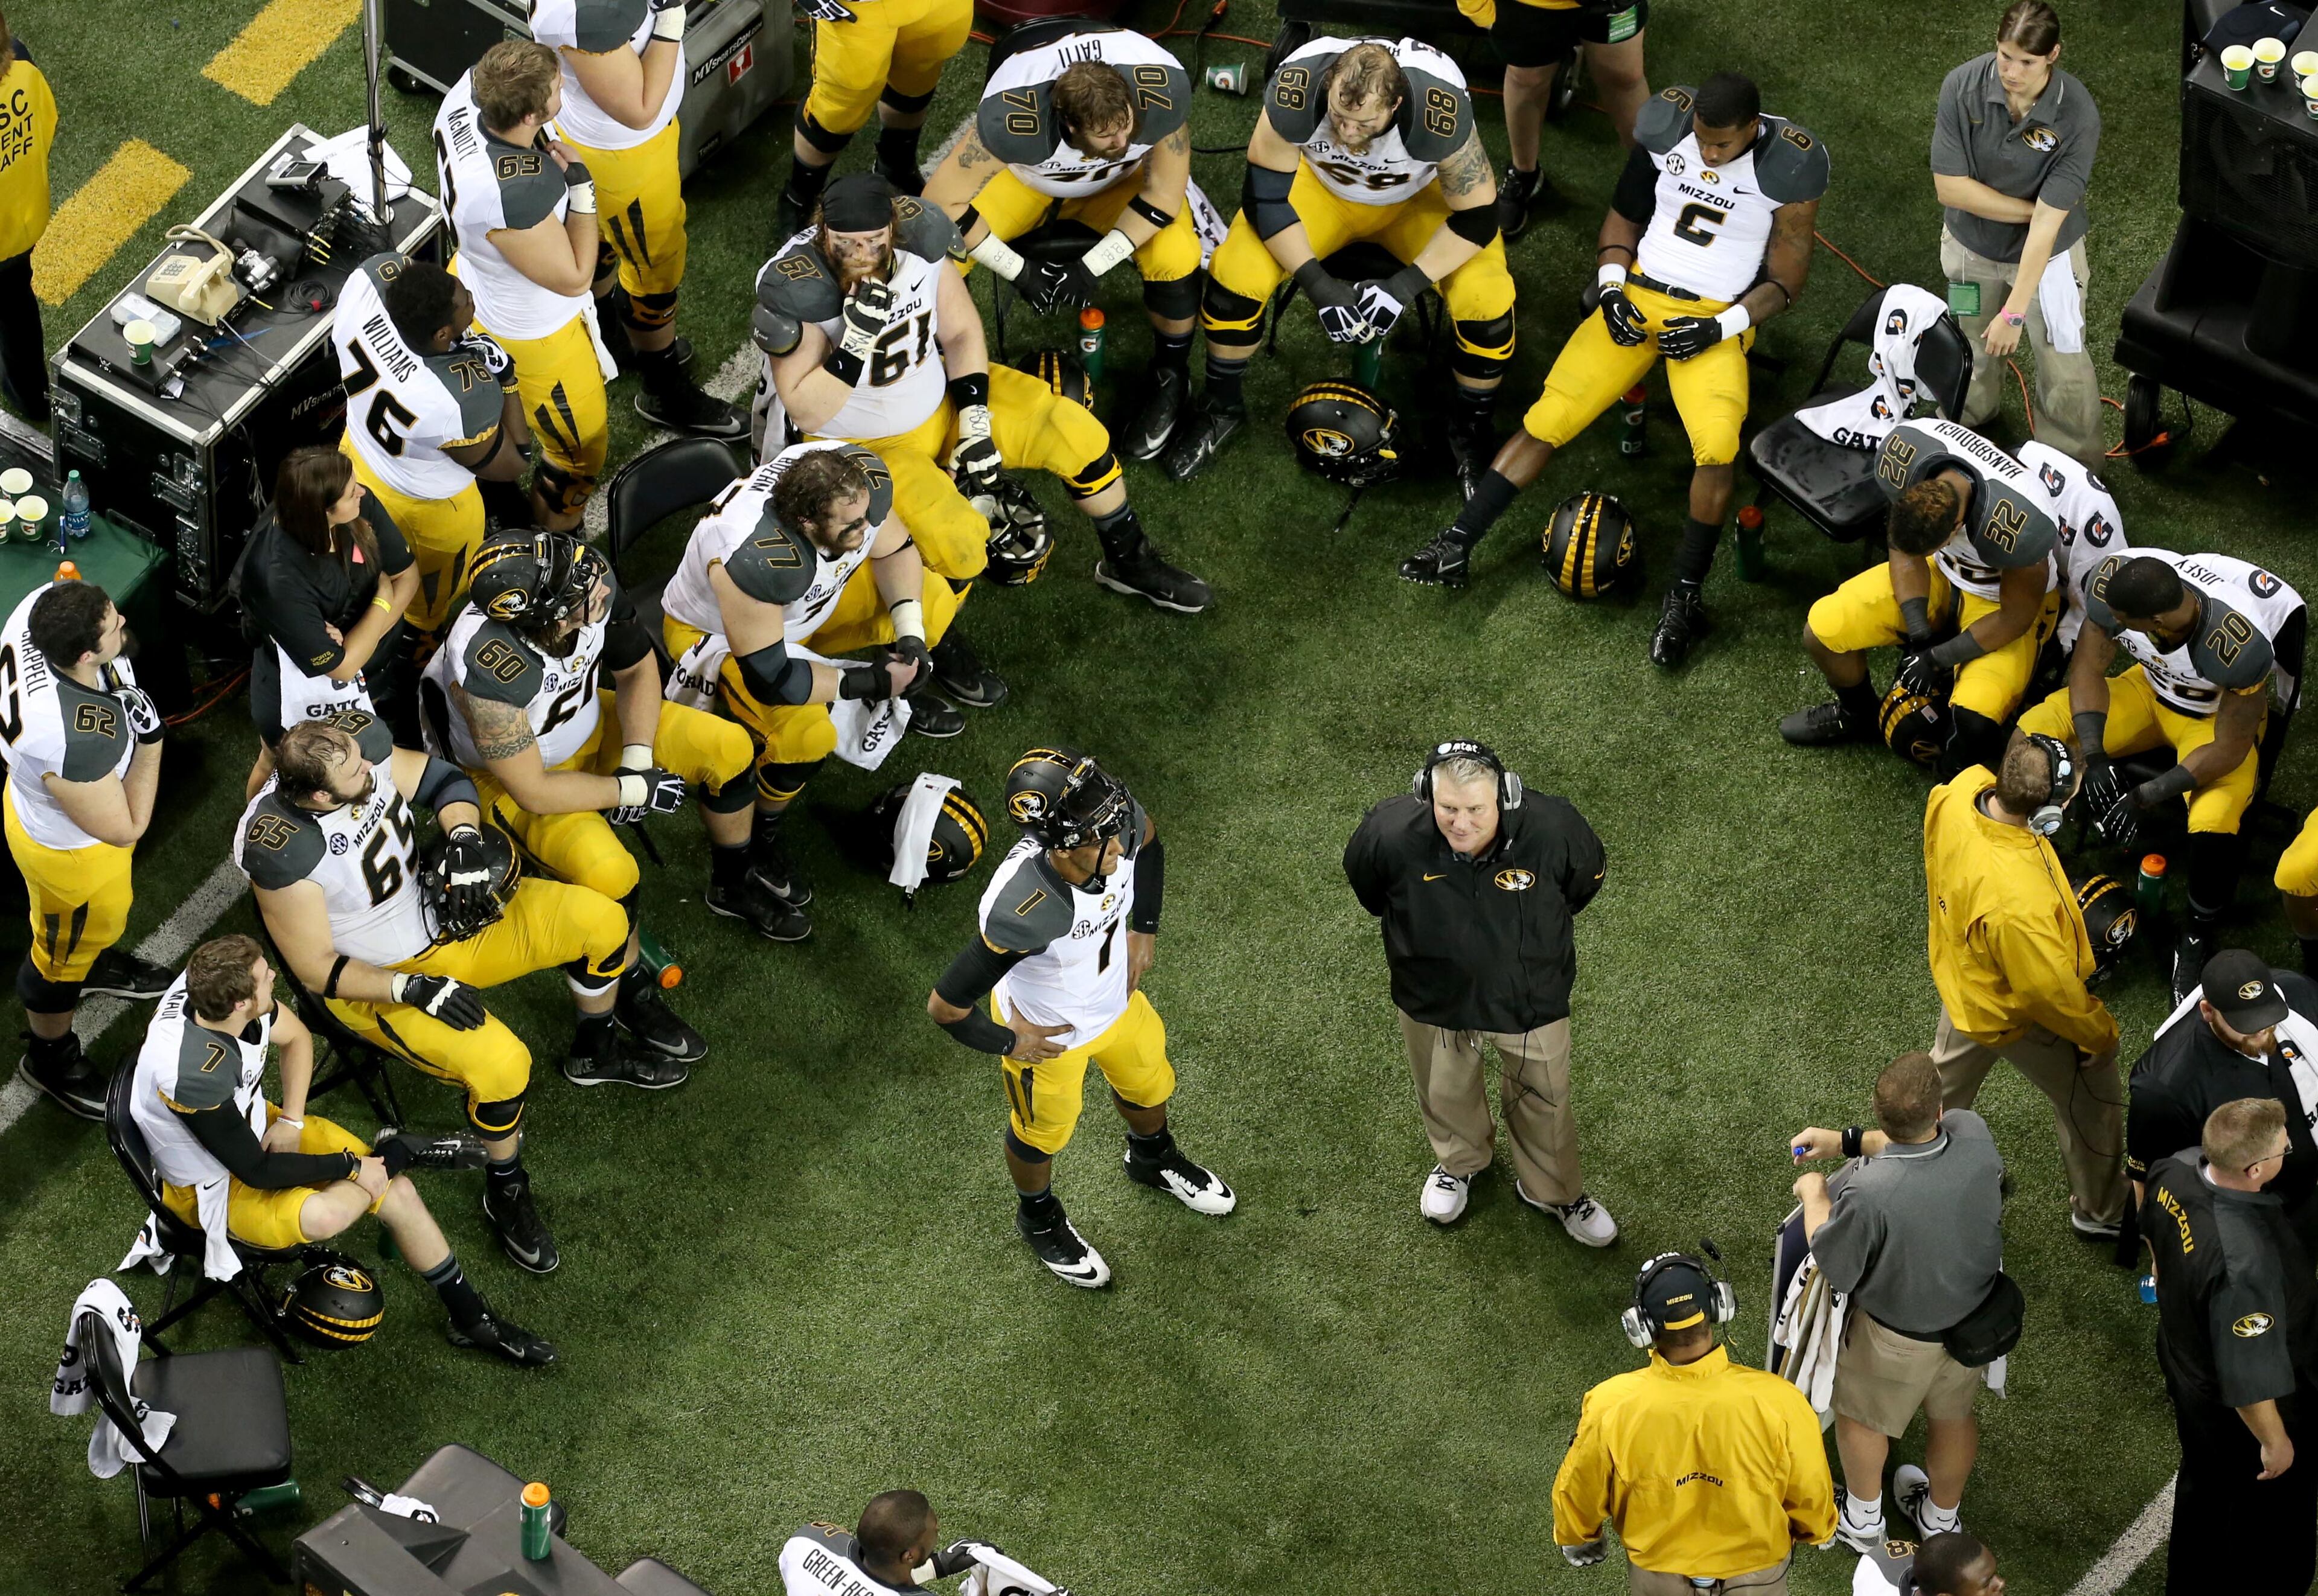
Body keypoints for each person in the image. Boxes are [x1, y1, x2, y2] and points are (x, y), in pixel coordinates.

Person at [1406, 71, 1824, 672]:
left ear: (1753, 131)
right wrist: (1610, 291)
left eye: (1722, 146)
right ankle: (1457, 542)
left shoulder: (1790, 170)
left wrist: (1722, 327)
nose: (1708, 154)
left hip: (1713, 317)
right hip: (1638, 295)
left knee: (1717, 450)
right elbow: (1621, 224)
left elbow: (1787, 281)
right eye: (1702, 140)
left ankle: (1683, 596)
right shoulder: (1667, 134)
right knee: (1547, 418)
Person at [238, 714, 672, 1277]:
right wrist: (410, 987)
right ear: (319, 794)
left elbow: (445, 782)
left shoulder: (355, 748)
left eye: (361, 756)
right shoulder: (282, 850)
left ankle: (597, 1050)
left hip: (442, 915)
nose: (371, 765)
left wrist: (462, 836)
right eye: (354, 769)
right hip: (381, 980)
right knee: (504, 1066)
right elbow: (317, 969)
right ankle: (506, 1186)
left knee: (603, 922)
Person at [756, 173, 1209, 613]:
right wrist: (855, 343)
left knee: (1076, 433)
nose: (860, 255)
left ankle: (1129, 560)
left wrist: (974, 417)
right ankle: (931, 639)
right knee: (960, 544)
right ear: (822, 232)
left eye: (874, 241)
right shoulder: (801, 288)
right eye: (845, 244)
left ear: (894, 227)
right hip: (864, 446)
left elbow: (960, 332)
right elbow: (807, 410)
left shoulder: (921, 243)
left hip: (942, 400)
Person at [129, 934, 554, 1365]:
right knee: (328, 1213)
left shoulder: (218, 994)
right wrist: (353, 1166)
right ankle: (397, 1153)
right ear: (240, 1004)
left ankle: (470, 1318)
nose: (274, 975)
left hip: (255, 1127)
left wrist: (293, 1120)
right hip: (208, 1185)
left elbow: (296, 1039)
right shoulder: (193, 1073)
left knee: (398, 1193)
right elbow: (255, 1172)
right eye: (263, 977)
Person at [925, 747, 1233, 1289]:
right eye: (1102, 839)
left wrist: (1147, 926)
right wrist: (1009, 1041)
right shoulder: (1028, 905)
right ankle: (1038, 1217)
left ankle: (1152, 1158)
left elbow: (1151, 839)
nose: (1120, 844)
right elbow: (946, 1007)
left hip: (1116, 1003)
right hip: (1052, 1036)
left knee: (1150, 1082)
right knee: (1041, 1132)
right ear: (1062, 845)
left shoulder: (1110, 819)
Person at [421, 530, 739, 1044]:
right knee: (613, 877)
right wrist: (630, 791)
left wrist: (637, 759)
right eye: (576, 592)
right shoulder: (492, 667)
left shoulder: (584, 582)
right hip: (507, 779)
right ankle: (620, 1002)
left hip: (587, 725)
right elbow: (535, 791)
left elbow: (637, 670)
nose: (596, 586)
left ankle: (737, 877)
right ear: (542, 617)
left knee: (729, 749)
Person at [1163, 37, 1512, 497]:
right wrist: (1319, 285)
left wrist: (1405, 285)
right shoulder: (1298, 84)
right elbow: (1264, 198)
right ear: (1328, 83)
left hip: (1418, 201)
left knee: (1487, 301)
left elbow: (1479, 216)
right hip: (1323, 190)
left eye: (1364, 121)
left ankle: (1471, 429)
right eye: (1339, 115)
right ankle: (1221, 406)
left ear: (1397, 103)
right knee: (1235, 273)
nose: (1347, 132)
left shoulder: (1437, 108)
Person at [659, 441, 981, 933]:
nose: (864, 529)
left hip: (802, 612)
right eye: (850, 527)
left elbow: (895, 548)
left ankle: (894, 683)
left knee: (932, 604)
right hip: (725, 634)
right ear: (807, 524)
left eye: (863, 518)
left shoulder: (851, 485)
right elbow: (775, 680)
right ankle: (760, 836)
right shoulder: (754, 558)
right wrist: (870, 681)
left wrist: (911, 638)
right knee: (807, 736)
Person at [1342, 741, 1612, 1240]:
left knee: (1546, 1096)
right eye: (1448, 809)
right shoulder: (1388, 835)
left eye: (1475, 810)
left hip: (1531, 998)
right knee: (1443, 1089)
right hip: (1433, 997)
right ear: (1427, 797)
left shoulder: (1555, 830)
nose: (1460, 823)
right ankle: (1458, 1162)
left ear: (1505, 797)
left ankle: (1553, 1191)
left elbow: (1584, 883)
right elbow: (1370, 891)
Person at [2018, 550, 2299, 1000]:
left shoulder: (2235, 645)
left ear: (2155, 619)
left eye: (2124, 620)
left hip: (2213, 722)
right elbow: (2088, 667)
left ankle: (2195, 933)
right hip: (2148, 689)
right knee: (2037, 726)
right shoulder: (2115, 580)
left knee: (2216, 819)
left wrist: (2147, 793)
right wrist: (2094, 751)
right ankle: (2028, 853)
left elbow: (2229, 749)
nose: (2114, 623)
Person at [922, 27, 1200, 459]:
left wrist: (1092, 266)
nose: (1124, 142)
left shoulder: (1157, 88)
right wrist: (1018, 269)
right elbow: (939, 204)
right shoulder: (1015, 121)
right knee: (931, 258)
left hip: (1114, 185)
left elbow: (1163, 195)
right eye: (1107, 137)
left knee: (1177, 254)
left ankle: (1171, 372)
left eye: (1126, 126)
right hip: (1027, 182)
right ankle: (940, 385)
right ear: (1069, 123)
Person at [1790, 1052, 2007, 1554]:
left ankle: (1863, 1523)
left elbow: (1833, 1257)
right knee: (1953, 1419)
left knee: (1861, 1419)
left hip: (1897, 1340)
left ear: (1879, 1112)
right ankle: (1941, 1519)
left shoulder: (1871, 1191)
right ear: (1938, 1112)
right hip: (1973, 1321)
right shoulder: (1973, 1131)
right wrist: (1843, 1141)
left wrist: (1814, 1193)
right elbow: (1911, 1141)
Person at [1921, 729, 2126, 1236]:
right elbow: (2047, 994)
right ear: (2047, 816)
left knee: (1935, 1098)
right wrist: (2098, 1036)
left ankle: (1918, 1170)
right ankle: (2102, 1211)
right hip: (2011, 1012)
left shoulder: (1961, 789)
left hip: (1964, 984)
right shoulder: (2018, 905)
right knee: (2091, 1101)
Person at [1778, 418, 2058, 775]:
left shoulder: (2019, 521)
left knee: (1976, 716)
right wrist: (1919, 636)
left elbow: (2015, 618)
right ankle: (1858, 715)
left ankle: (1950, 777)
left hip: (2000, 603)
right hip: (1940, 571)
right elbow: (1903, 549)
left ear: (1955, 531)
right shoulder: (1912, 453)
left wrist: (1937, 658)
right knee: (1821, 631)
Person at [1550, 1252, 1834, 1592]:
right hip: (1757, 1574)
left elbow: (1580, 1485)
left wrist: (1577, 1535)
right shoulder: (1782, 1401)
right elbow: (1812, 1493)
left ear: (1642, 1327)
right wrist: (1818, 1529)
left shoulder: (1610, 1405)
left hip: (1660, 1577)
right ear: (1718, 1307)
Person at [531, 0, 746, 439]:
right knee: (655, 270)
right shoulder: (581, 10)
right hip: (624, 153)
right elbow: (641, 107)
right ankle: (664, 390)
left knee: (606, 241)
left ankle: (613, 334)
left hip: (603, 137)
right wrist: (671, 15)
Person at [2, 579, 173, 1120]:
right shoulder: (73, 735)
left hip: (51, 813)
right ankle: (50, 1057)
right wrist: (151, 740)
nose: (123, 622)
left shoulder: (43, 607)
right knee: (54, 961)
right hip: (72, 850)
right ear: (82, 654)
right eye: (113, 627)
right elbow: (126, 827)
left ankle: (90, 963)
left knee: (95, 932)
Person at [2143, 1097, 2318, 1595]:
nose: (2289, 1147)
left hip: (2185, 1359)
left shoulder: (2174, 1168)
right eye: (2285, 1145)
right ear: (2257, 1168)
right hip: (2238, 1403)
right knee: (2272, 1518)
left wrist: (2166, 1272)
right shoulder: (2246, 1264)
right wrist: (2274, 1442)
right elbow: (2247, 1379)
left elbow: (2154, 1231)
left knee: (2203, 1486)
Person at [435, 42, 606, 533]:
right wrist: (581, 189)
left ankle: (499, 496)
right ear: (530, 113)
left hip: (473, 283)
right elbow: (575, 277)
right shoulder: (517, 190)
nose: (564, 88)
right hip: (535, 333)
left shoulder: (471, 91)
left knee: (488, 421)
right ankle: (554, 547)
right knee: (579, 451)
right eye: (556, 89)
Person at [1930, 1, 2101, 464]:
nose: (2011, 71)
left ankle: (2072, 464)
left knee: (2063, 361)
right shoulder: (1961, 86)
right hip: (1971, 250)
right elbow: (1951, 189)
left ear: (2053, 56)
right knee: (1968, 342)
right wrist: (2036, 210)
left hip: (2051, 259)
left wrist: (2013, 313)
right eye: (2005, 55)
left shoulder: (2077, 114)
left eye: (2026, 61)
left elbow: (2047, 231)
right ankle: (1968, 425)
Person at [330, 252, 528, 634]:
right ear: (441, 334)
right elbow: (516, 460)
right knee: (424, 613)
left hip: (352, 461)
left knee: (361, 566)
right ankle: (411, 666)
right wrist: (508, 380)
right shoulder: (457, 399)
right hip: (424, 509)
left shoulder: (364, 286)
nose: (470, 298)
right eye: (465, 301)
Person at [238, 448, 423, 799]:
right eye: (350, 491)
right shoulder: (277, 577)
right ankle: (253, 828)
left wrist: (363, 636)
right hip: (298, 690)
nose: (362, 492)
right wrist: (381, 601)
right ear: (321, 510)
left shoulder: (357, 510)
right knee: (277, 762)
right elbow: (340, 668)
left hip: (373, 667)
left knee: (366, 752)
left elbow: (406, 576)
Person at [2130, 950, 2318, 1251]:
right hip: (2253, 1214)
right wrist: (2161, 1256)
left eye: (2266, 1013)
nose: (2262, 1029)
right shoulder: (2164, 1088)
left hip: (2306, 1186)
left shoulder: (2296, 991)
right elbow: (2152, 1181)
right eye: (2245, 1022)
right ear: (2207, 1011)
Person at [773, 0, 974, 234]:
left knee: (918, 73)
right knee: (839, 106)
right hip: (861, 9)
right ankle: (800, 195)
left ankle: (896, 165)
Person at [1452, 0, 1649, 238]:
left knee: (1624, 79)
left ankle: (1650, 176)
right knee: (1526, 80)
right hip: (1530, 4)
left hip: (1611, 4)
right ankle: (1524, 174)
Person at [0, 11, 56, 425]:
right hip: (24, 217)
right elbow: (46, 125)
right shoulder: (21, 62)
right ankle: (35, 400)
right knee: (17, 307)